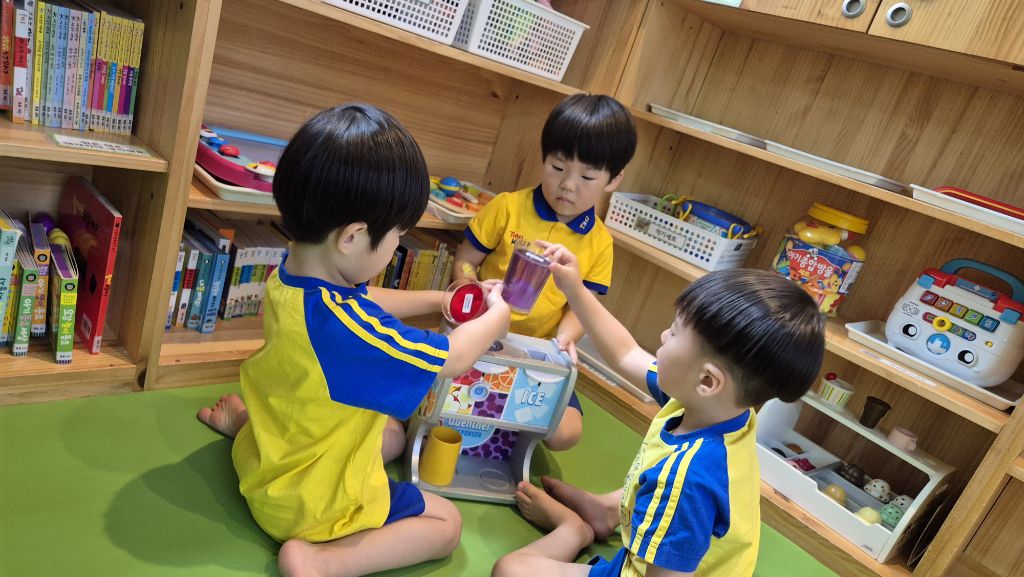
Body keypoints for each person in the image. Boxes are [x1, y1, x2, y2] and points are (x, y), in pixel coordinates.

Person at [196, 104, 510, 577]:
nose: (396, 246)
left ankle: (242, 427)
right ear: (354, 236)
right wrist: (497, 317)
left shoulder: (292, 271)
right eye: (397, 236)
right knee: (446, 523)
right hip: (312, 509)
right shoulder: (345, 331)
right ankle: (324, 561)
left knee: (390, 434)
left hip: (265, 457)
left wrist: (437, 299)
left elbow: (362, 302)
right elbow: (454, 357)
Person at [492, 241, 826, 577]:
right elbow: (625, 353)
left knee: (510, 569)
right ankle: (606, 510)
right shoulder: (721, 407)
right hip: (681, 542)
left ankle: (573, 530)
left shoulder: (688, 481)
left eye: (676, 333)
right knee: (664, 481)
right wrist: (574, 289)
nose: (664, 335)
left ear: (707, 380)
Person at [453, 93, 637, 451]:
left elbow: (582, 306)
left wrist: (565, 339)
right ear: (544, 158)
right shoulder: (507, 207)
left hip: (537, 355)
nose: (568, 184)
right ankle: (493, 415)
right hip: (479, 335)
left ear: (613, 180)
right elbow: (465, 260)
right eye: (557, 168)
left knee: (566, 433)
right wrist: (471, 287)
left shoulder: (600, 243)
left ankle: (505, 418)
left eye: (587, 176)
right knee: (443, 393)